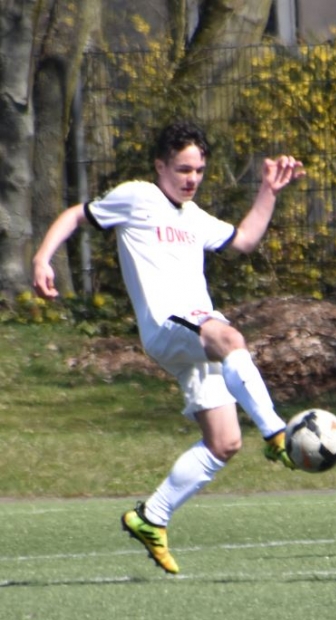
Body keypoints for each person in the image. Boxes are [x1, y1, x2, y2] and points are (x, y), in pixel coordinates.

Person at [32, 121, 305, 573]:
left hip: (195, 336)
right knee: (230, 337)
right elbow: (76, 215)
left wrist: (268, 191)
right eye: (183, 169)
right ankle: (277, 432)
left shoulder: (193, 216)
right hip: (170, 326)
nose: (192, 179)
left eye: (198, 170)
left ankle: (151, 517)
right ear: (160, 166)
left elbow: (243, 241)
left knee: (224, 442)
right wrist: (43, 258)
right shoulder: (138, 196)